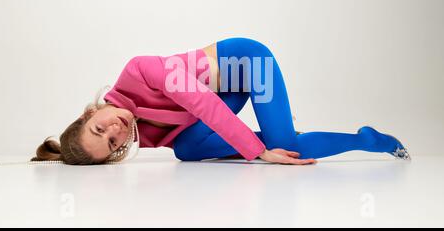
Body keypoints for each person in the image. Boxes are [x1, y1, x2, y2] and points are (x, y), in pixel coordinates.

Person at [32, 37, 411, 165]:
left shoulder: (139, 70)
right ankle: (272, 138)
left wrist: (255, 152)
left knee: (284, 148)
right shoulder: (135, 135)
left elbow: (200, 104)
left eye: (102, 127)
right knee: (184, 150)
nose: (116, 131)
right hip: (220, 95)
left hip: (248, 64)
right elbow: (193, 124)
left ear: (91, 112)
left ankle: (370, 139)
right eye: (112, 144)